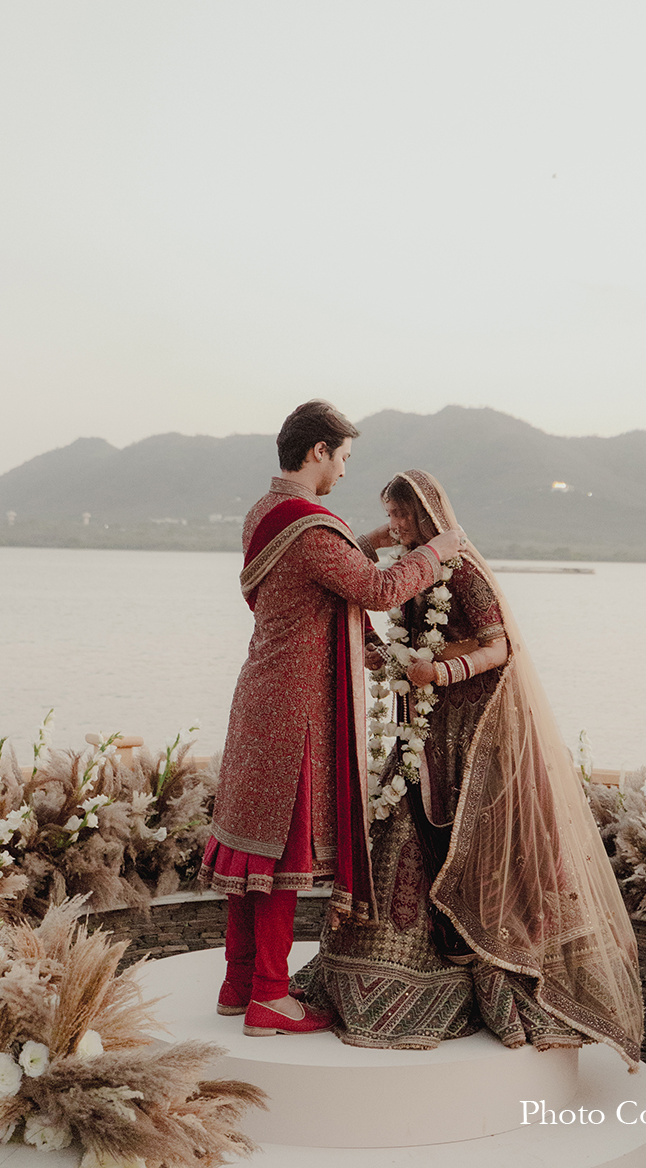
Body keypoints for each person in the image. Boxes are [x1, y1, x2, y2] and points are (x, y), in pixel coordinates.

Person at [292, 469, 644, 1064]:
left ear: (427, 515)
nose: (398, 526)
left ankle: (496, 981)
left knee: (475, 850)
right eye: (393, 515)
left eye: (405, 515)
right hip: (424, 727)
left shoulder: (460, 569)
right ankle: (377, 983)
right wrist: (392, 642)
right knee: (400, 838)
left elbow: (500, 645)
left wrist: (443, 672)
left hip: (475, 732)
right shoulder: (415, 567)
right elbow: (370, 582)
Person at [198, 405, 464, 1038]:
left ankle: (237, 984)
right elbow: (373, 591)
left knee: (249, 846)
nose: (344, 471)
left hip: (260, 693)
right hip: (295, 707)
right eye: (343, 458)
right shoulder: (311, 527)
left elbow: (322, 570)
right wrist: (433, 553)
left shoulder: (264, 514)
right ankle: (269, 997)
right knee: (280, 850)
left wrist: (370, 540)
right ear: (317, 451)